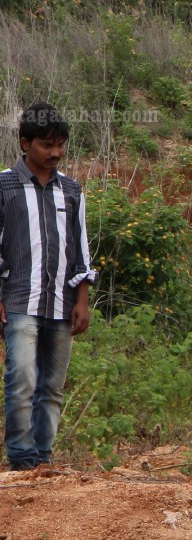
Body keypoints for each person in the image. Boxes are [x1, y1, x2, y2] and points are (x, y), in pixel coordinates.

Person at [0, 102, 97, 471]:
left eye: (60, 144)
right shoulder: (4, 186)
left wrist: (82, 300)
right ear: (25, 143)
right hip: (19, 300)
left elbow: (80, 249)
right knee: (21, 378)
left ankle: (43, 458)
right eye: (46, 144)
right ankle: (22, 459)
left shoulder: (71, 191)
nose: (55, 152)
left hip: (61, 301)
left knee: (53, 386)